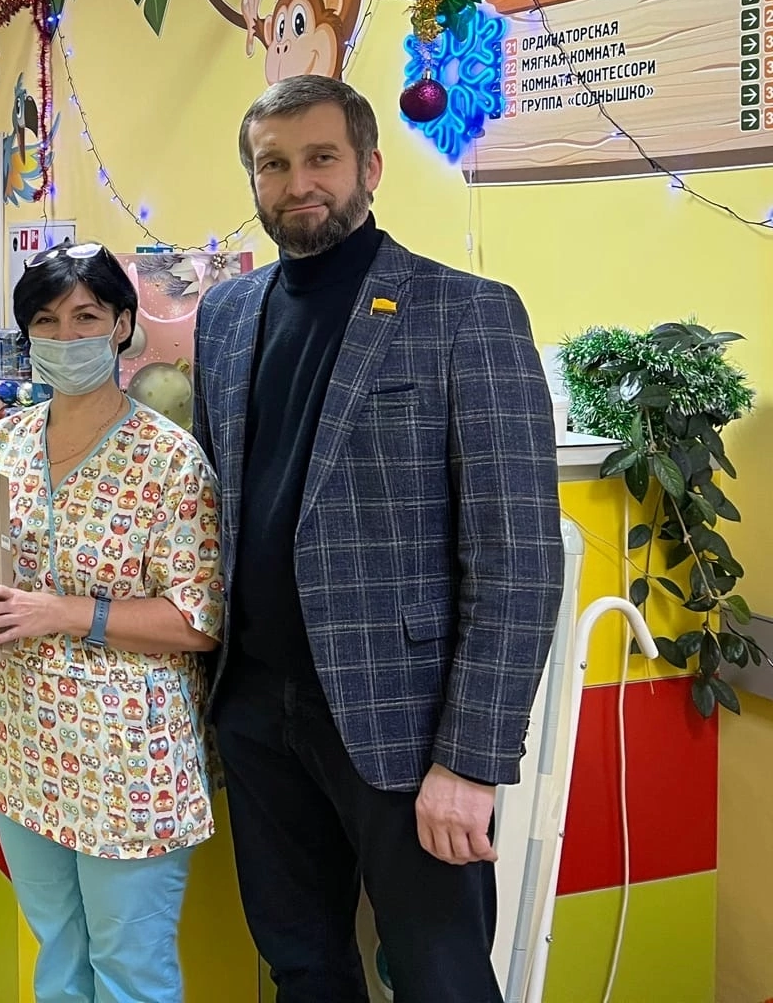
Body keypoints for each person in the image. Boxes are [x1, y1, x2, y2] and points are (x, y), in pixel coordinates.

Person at [193, 75, 564, 1003]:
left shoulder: (466, 313)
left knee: (442, 979)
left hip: (406, 724)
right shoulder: (226, 318)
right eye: (273, 164)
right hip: (257, 708)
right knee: (303, 967)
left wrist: (471, 760)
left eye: (321, 157)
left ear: (369, 166)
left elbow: (518, 561)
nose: (298, 183)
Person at [0, 242, 223, 1003]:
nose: (66, 337)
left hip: (128, 753)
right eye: (46, 322)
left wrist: (62, 613)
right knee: (58, 950)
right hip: (19, 738)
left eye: (86, 317)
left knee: (130, 969)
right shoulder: (2, 444)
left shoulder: (169, 459)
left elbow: (197, 620)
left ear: (122, 325)